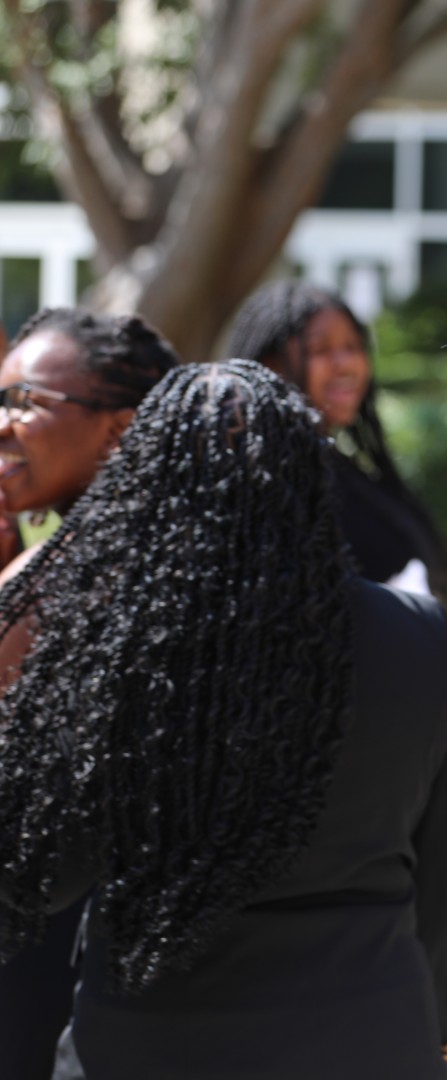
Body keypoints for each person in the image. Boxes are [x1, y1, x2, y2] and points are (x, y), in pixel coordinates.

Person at [0, 360, 447, 1080]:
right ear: (304, 475)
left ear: (145, 482)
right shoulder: (414, 633)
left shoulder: (101, 641)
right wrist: (440, 1028)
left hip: (151, 1044)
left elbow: (39, 867)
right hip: (366, 1036)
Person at [0, 309, 178, 1080]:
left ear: (120, 429)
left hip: (68, 977)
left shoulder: (102, 589)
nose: (2, 424)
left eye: (25, 401)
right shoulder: (56, 563)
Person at [228, 280, 445, 596]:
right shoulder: (265, 483)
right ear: (266, 365)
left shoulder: (337, 468)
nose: (346, 364)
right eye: (321, 349)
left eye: (353, 347)